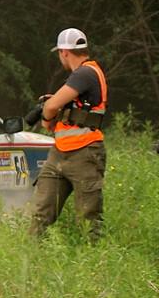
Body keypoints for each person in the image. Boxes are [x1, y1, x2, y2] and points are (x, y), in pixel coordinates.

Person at [29, 28, 108, 238]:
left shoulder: (86, 72)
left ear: (64, 52)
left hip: (85, 153)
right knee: (41, 214)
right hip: (60, 154)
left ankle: (94, 265)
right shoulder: (80, 76)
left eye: (59, 53)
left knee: (88, 220)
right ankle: (32, 260)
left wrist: (46, 118)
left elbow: (52, 105)